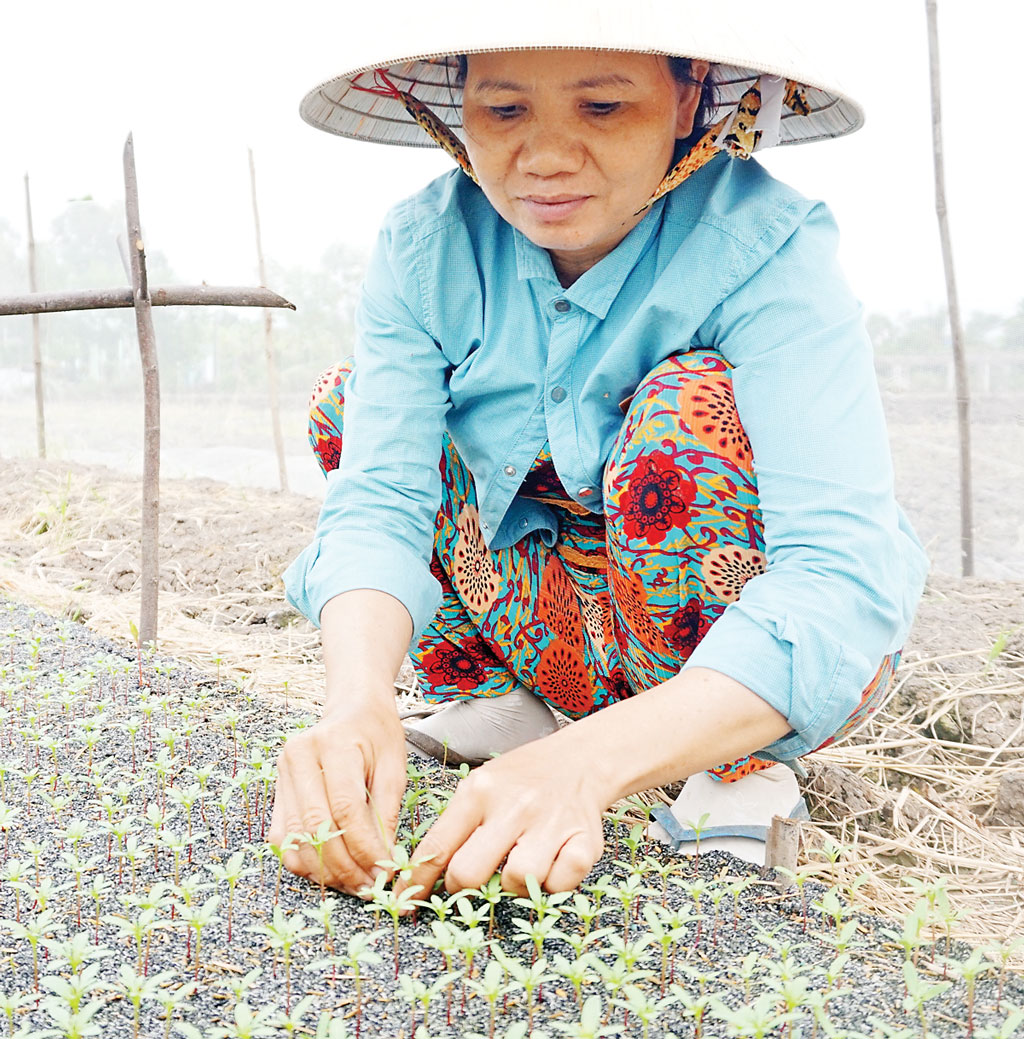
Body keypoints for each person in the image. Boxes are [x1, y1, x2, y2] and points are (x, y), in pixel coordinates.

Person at [270, 2, 929, 900]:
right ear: (457, 105)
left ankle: (730, 765)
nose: (544, 157)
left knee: (683, 417)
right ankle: (516, 707)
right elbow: (381, 497)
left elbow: (843, 577)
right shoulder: (429, 247)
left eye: (602, 109)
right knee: (348, 409)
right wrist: (356, 701)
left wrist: (587, 768)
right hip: (565, 622)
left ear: (690, 92)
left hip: (741, 655)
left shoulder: (765, 247)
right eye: (505, 112)